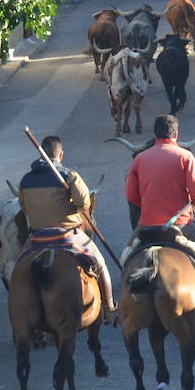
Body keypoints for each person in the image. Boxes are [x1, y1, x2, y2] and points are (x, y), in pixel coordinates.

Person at [124, 115, 195, 325]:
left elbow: (132, 197)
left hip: (146, 226)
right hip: (180, 226)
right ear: (176, 134)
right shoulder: (185, 157)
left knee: (125, 259)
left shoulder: (140, 159)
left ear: (154, 134)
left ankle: (120, 308)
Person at [18, 135, 115, 323]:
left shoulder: (25, 180)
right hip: (67, 235)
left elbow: (24, 207)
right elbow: (84, 202)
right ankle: (109, 308)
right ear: (60, 155)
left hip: (37, 237)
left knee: (18, 267)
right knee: (100, 263)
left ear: (41, 155)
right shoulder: (69, 176)